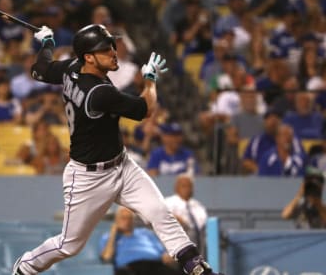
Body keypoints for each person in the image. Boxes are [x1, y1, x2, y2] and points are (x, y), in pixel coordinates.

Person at [12, 24, 221, 275]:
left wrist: (47, 43)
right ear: (89, 57)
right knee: (69, 245)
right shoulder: (98, 93)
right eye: (105, 49)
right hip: (88, 178)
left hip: (121, 165)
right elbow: (147, 109)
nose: (113, 51)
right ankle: (25, 267)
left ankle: (197, 268)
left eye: (112, 45)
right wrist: (150, 79)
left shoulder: (72, 67)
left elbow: (40, 69)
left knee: (159, 212)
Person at [99, 206, 182, 275]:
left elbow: (162, 252)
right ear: (117, 220)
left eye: (129, 218)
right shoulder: (109, 237)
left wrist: (166, 256)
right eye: (123, 218)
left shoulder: (145, 233)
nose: (127, 221)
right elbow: (107, 257)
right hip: (131, 268)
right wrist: (113, 232)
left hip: (156, 265)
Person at [164, 175, 208, 255]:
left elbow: (203, 225)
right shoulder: (168, 202)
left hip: (198, 245)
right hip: (177, 245)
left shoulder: (198, 205)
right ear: (176, 188)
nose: (187, 189)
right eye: (183, 186)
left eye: (189, 186)